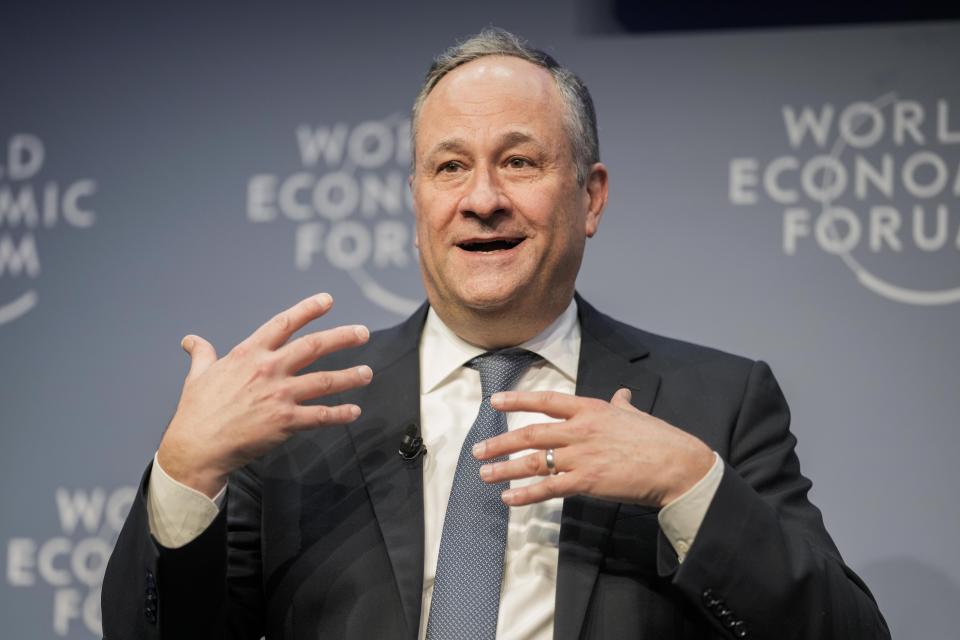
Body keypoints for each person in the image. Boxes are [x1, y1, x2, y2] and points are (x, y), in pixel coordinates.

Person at [103, 28, 890, 640]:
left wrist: (689, 485)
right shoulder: (300, 417)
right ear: (416, 200)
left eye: (518, 162)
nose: (481, 199)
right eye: (449, 168)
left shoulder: (714, 403)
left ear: (591, 196)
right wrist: (183, 473)